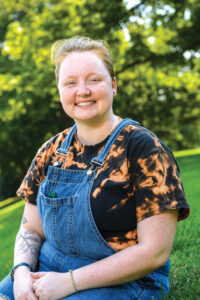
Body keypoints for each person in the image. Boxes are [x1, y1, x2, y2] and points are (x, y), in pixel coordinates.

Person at [0, 36, 190, 300]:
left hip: (126, 280)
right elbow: (31, 229)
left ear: (113, 86)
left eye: (94, 79)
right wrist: (21, 272)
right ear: (59, 91)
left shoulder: (143, 149)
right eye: (70, 83)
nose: (83, 91)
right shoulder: (51, 151)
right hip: (46, 270)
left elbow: (154, 251)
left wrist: (70, 283)